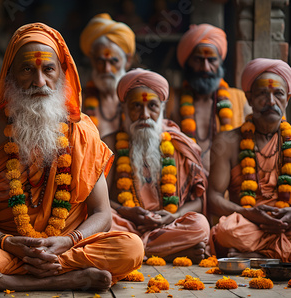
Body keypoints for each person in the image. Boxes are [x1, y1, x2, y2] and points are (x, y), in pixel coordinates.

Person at [0, 23, 144, 292]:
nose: (39, 81)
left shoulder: (82, 131)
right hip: (6, 247)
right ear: (9, 75)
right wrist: (8, 243)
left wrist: (68, 241)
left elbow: (102, 213)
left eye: (48, 69)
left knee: (131, 247)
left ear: (61, 74)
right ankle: (69, 277)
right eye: (27, 69)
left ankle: (14, 281)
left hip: (64, 246)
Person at [103, 69, 209, 263]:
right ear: (124, 110)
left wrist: (173, 215)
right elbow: (98, 200)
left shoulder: (179, 145)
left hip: (168, 224)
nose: (145, 114)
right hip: (126, 223)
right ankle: (167, 252)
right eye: (136, 106)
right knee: (104, 221)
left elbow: (200, 200)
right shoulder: (109, 144)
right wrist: (127, 212)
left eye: (152, 106)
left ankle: (136, 251)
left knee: (199, 224)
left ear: (163, 109)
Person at [209, 58, 291, 262]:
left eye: (278, 94)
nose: (271, 101)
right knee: (227, 231)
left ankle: (253, 256)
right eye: (263, 94)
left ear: (287, 99)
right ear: (249, 98)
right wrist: (248, 212)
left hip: (287, 225)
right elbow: (213, 197)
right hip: (248, 223)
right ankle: (276, 255)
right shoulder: (227, 141)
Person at [167, 24, 249, 173]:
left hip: (228, 191)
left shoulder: (240, 99)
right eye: (198, 60)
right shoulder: (171, 100)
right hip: (183, 190)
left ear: (220, 63)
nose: (205, 68)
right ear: (187, 62)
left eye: (211, 60)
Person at [80, 13, 135, 138]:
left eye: (113, 61)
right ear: (92, 61)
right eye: (101, 61)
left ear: (128, 61)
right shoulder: (79, 102)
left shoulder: (137, 102)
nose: (107, 69)